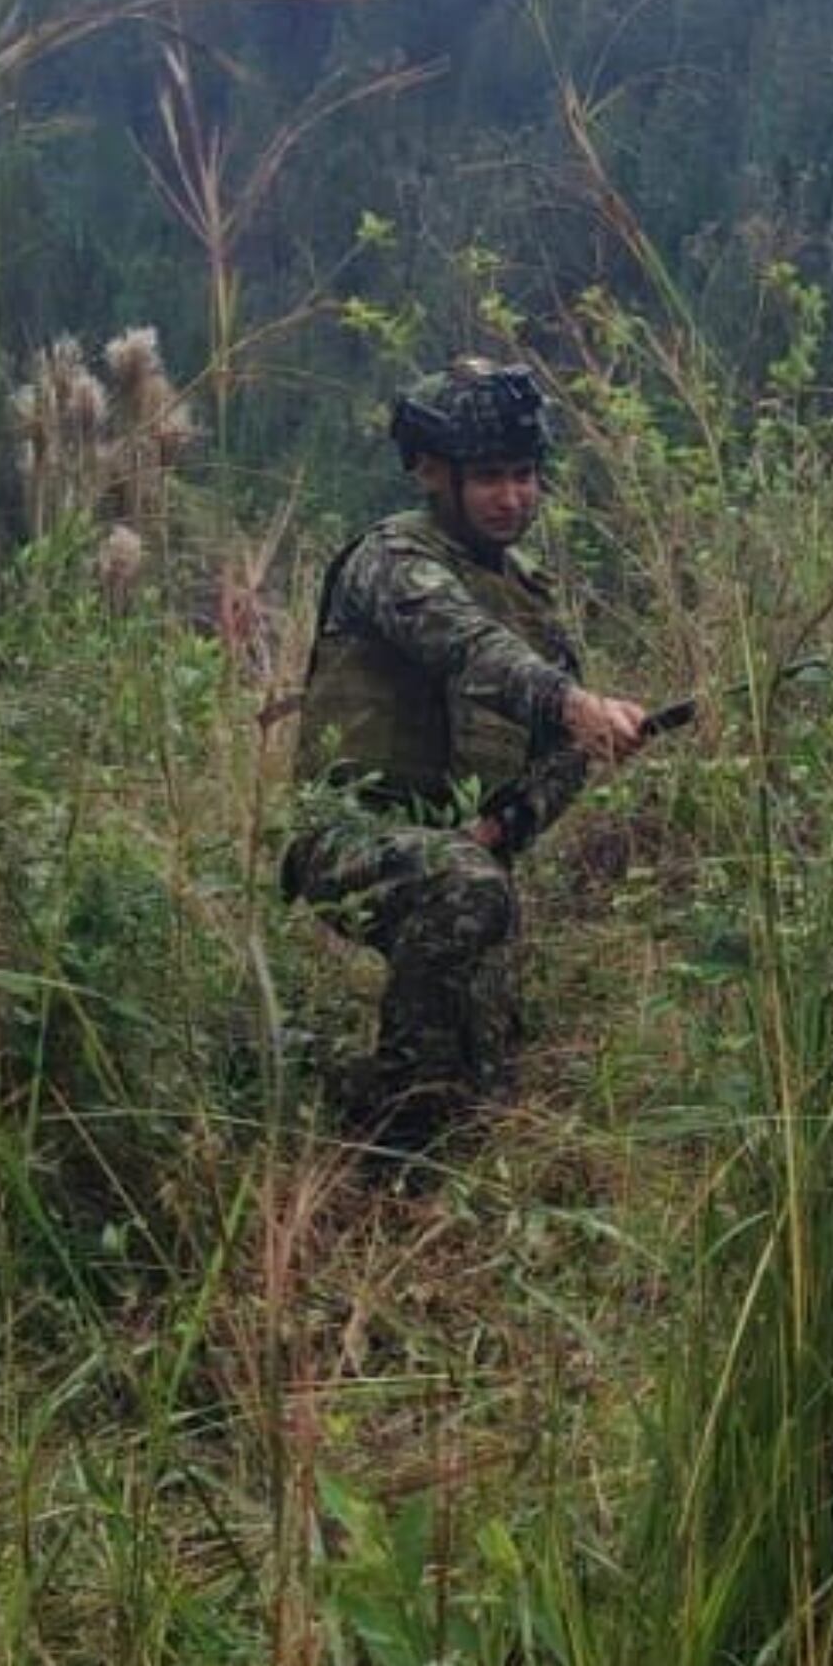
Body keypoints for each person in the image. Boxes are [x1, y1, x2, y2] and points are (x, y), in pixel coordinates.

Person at [279, 359, 650, 1173]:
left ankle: (363, 1094)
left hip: (457, 847)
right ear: (429, 472)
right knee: (467, 890)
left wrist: (509, 820)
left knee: (490, 1079)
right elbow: (466, 644)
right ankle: (395, 1158)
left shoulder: (532, 602)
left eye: (524, 475)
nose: (511, 497)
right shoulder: (392, 561)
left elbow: (559, 761)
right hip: (345, 836)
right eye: (488, 477)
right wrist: (575, 703)